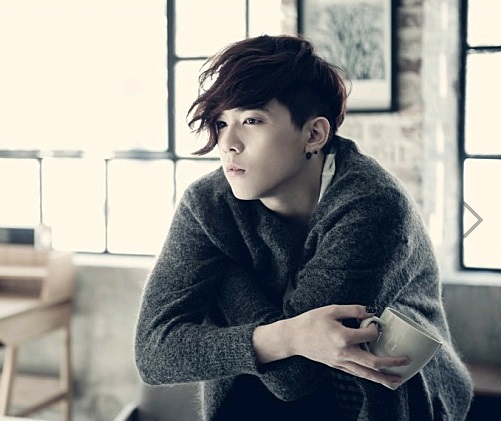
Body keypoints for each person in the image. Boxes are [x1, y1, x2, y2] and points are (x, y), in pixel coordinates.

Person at [134, 34, 473, 420]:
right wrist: (292, 335)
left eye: (251, 120)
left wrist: (227, 277)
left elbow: (294, 377)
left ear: (314, 135)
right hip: (255, 396)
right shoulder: (208, 203)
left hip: (382, 397)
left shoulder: (373, 206)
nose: (227, 143)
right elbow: (153, 354)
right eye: (221, 122)